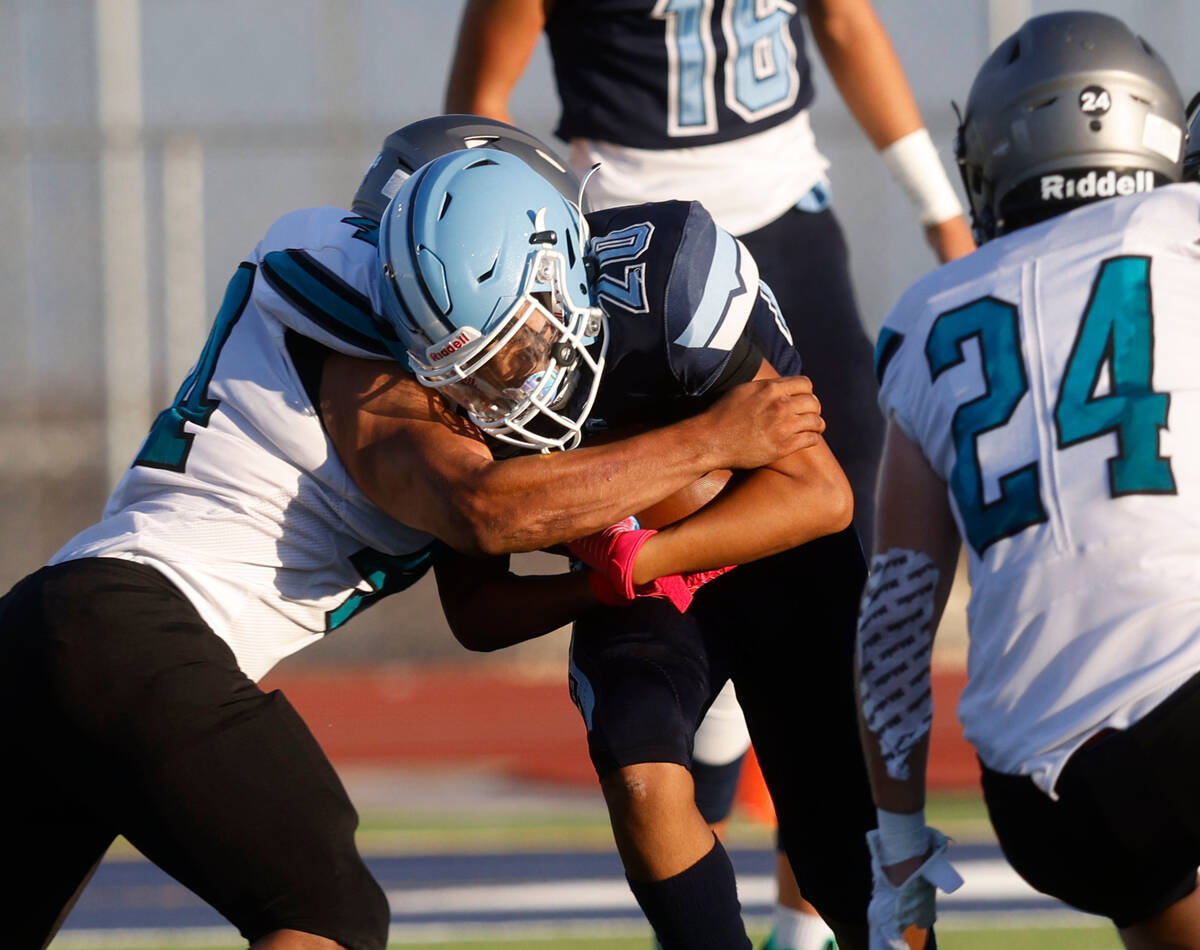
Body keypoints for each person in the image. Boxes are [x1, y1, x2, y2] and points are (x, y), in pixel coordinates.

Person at [0, 134, 830, 948]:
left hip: (57, 628)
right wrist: (713, 439)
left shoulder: (419, 341)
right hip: (134, 626)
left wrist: (616, 572)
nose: (493, 383)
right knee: (327, 911)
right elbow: (484, 511)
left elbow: (479, 604)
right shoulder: (354, 328)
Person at [445, 4, 975, 945]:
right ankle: (717, 746)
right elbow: (475, 122)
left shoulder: (684, 265)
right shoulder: (480, 333)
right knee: (655, 695)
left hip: (745, 236)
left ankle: (810, 922)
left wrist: (943, 214)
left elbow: (845, 23)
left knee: (819, 582)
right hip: (591, 243)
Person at [374, 139, 886, 949]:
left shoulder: (670, 278)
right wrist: (608, 580)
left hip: (772, 554)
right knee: (640, 771)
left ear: (559, 270)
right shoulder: (446, 389)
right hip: (635, 589)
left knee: (847, 862)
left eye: (510, 344)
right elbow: (475, 609)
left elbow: (819, 498)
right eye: (468, 368)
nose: (496, 388)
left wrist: (637, 554)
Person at [854, 12, 1200, 949]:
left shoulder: (927, 315)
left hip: (1042, 798)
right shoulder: (1184, 230)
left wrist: (898, 853)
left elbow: (894, 616)